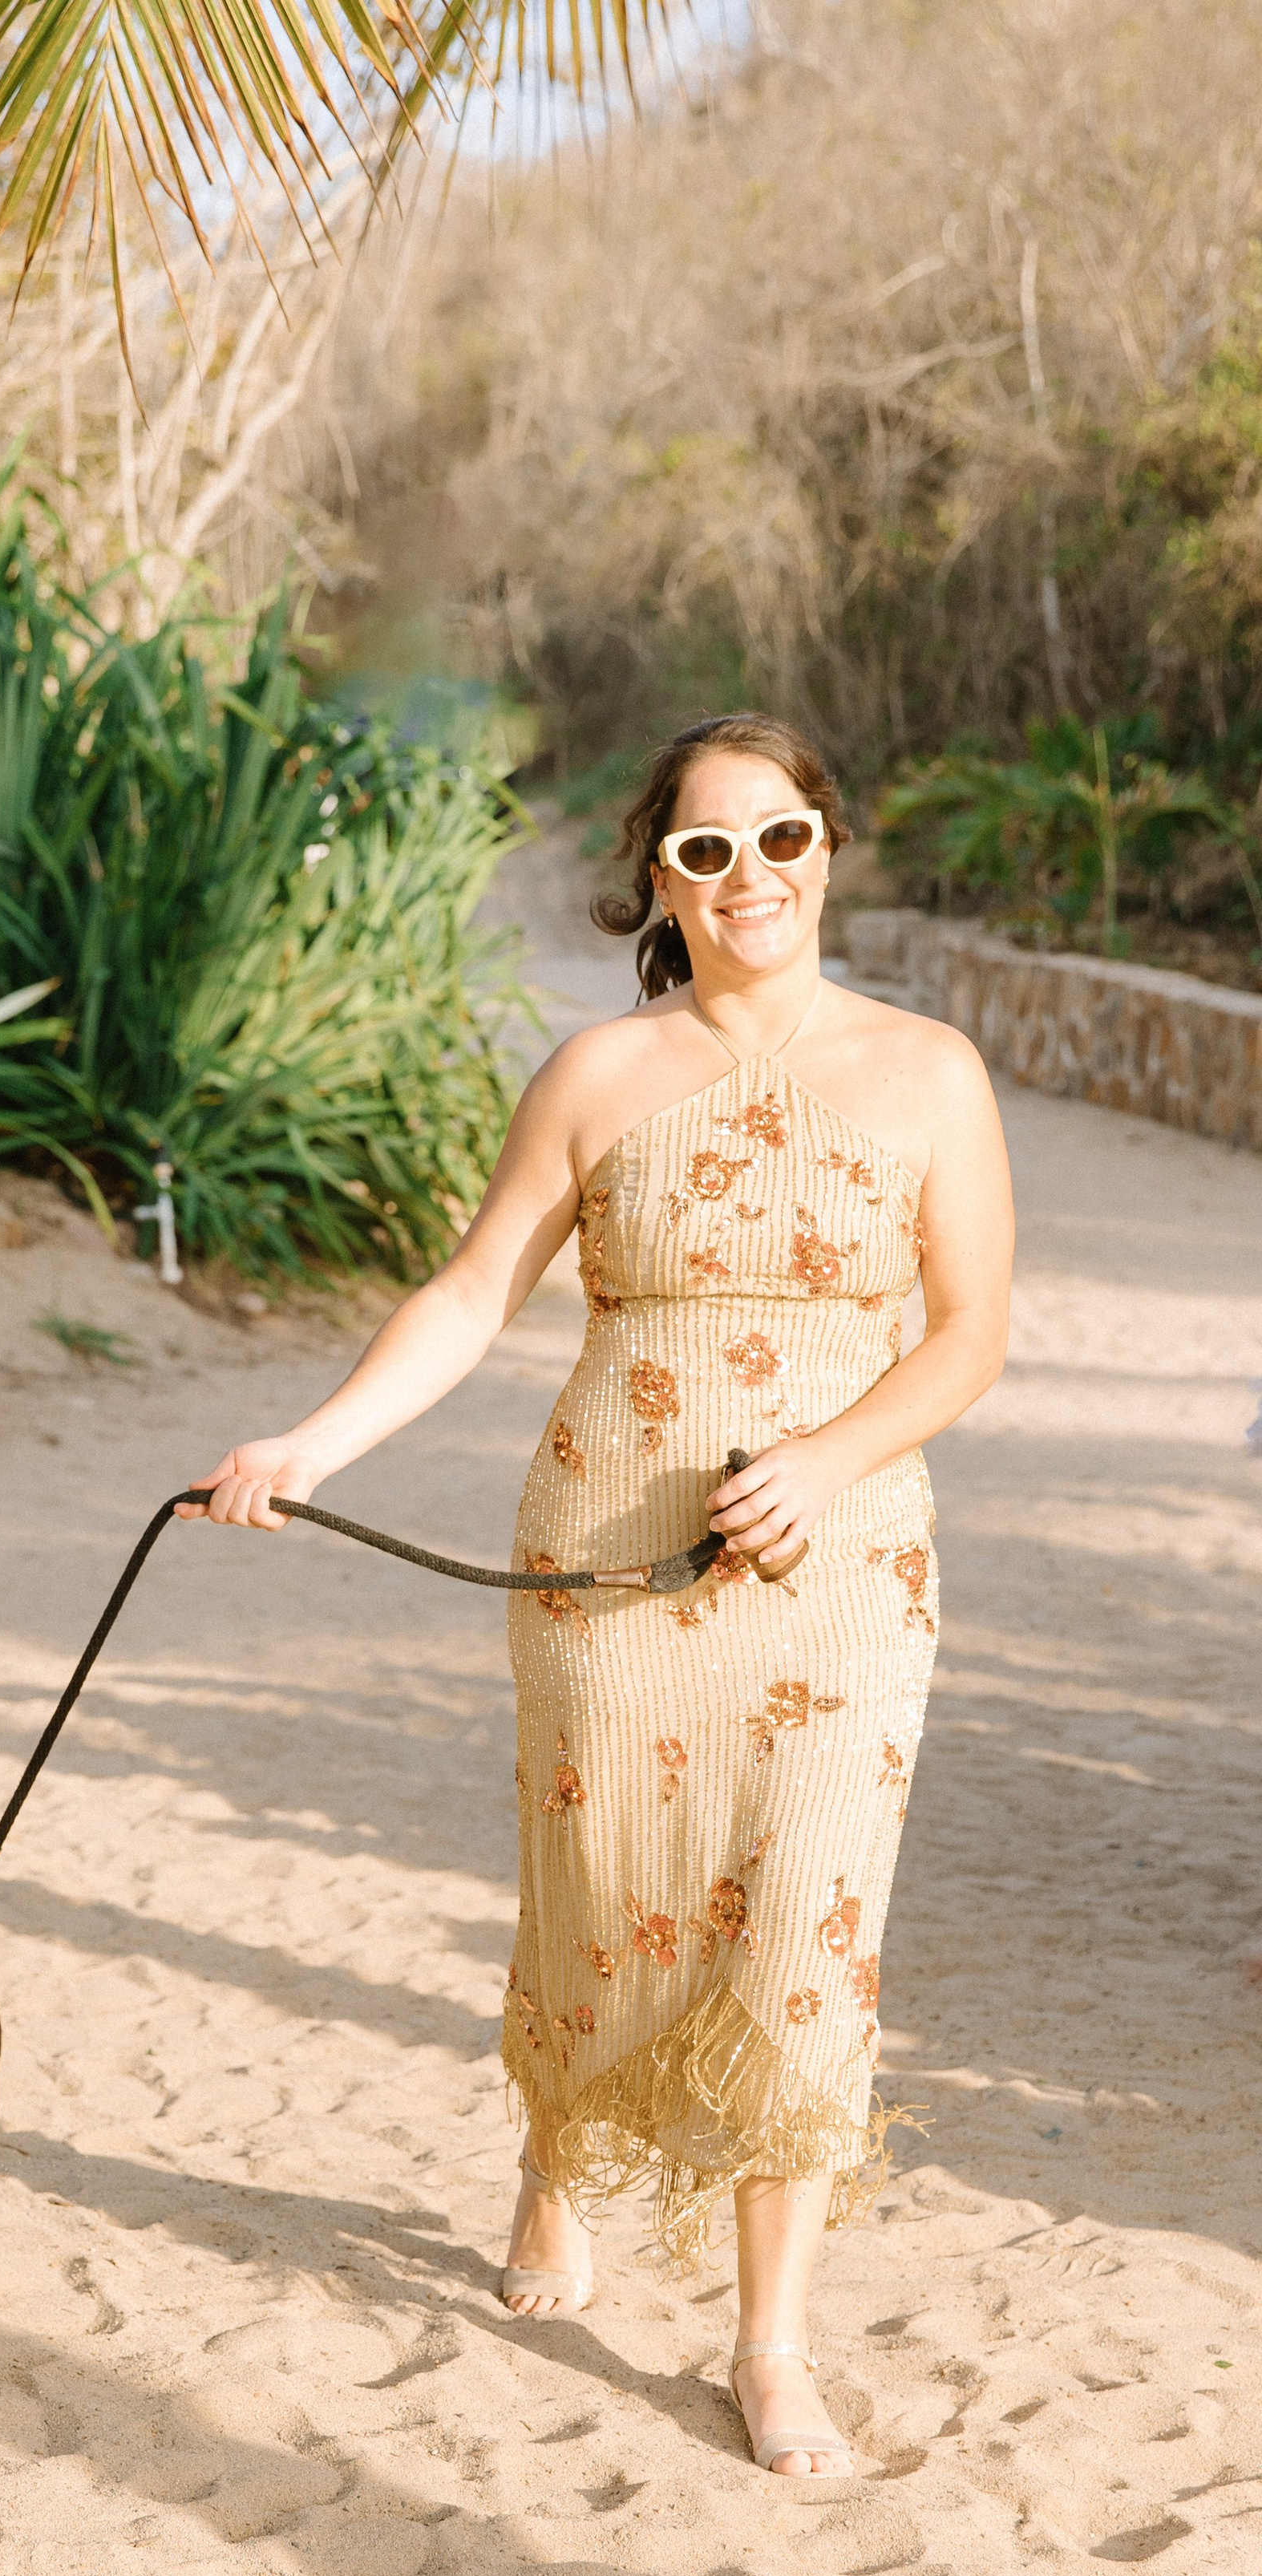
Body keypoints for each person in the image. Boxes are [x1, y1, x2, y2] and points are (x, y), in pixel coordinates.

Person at [184, 712, 1012, 2479]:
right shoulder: (594, 1072)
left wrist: (828, 1459)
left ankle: (768, 2342)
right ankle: (558, 2154)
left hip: (842, 1564)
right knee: (604, 1887)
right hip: (602, 1552)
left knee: (804, 1925)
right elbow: (473, 1291)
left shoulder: (929, 1069)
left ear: (825, 846)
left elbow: (968, 1334)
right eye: (705, 852)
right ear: (658, 878)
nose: (747, 880)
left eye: (776, 840)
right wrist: (312, 1444)